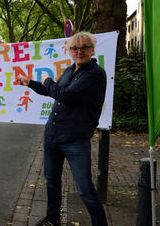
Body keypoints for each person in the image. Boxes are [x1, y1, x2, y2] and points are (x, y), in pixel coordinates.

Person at [16, 32, 108, 226]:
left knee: (84, 189)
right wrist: (30, 83)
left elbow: (65, 95)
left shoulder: (95, 74)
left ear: (92, 49)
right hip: (53, 135)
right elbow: (56, 92)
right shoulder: (68, 70)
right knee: (51, 180)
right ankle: (53, 219)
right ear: (69, 51)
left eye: (83, 47)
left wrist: (48, 81)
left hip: (75, 139)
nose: (79, 51)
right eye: (74, 48)